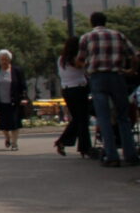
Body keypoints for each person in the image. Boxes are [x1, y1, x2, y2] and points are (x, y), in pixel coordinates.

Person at [77, 11, 137, 166]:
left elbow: (80, 60)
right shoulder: (118, 35)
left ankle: (112, 156)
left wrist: (87, 68)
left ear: (92, 22)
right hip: (117, 76)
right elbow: (135, 55)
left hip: (97, 77)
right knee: (123, 116)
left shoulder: (87, 37)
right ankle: (130, 154)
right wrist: (131, 70)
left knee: (103, 117)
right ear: (105, 22)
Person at [53, 36, 90, 158]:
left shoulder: (61, 59)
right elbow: (83, 66)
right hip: (78, 89)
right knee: (82, 119)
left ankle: (66, 141)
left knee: (79, 118)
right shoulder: (74, 59)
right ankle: (84, 147)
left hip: (67, 90)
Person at [0, 49, 28, 151]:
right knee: (3, 125)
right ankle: (7, 138)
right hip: (1, 102)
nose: (4, 61)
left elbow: (23, 86)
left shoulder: (17, 71)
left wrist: (23, 98)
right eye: (2, 59)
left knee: (15, 123)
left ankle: (14, 143)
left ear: (10, 60)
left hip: (14, 101)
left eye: (6, 59)